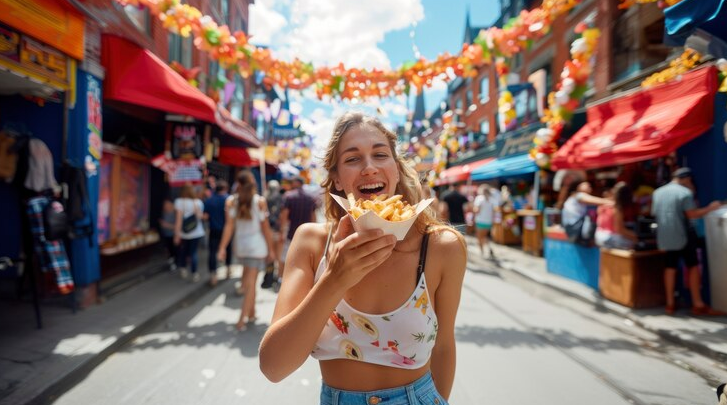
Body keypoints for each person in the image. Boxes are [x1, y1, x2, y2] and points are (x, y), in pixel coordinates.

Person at [259, 112, 467, 404]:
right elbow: (273, 367)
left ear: (395, 169)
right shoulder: (311, 242)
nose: (369, 168)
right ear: (337, 179)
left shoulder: (442, 247)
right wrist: (335, 278)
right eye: (353, 159)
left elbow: (444, 347)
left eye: (380, 155)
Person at [651, 167, 724, 316]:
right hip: (685, 235)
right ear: (687, 179)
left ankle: (670, 304)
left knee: (670, 267)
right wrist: (710, 208)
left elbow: (654, 213)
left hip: (666, 236)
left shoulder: (657, 192)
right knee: (693, 267)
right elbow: (692, 215)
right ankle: (698, 304)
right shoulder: (684, 193)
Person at [218, 170, 274, 330]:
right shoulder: (260, 201)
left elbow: (229, 226)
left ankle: (252, 313)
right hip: (256, 247)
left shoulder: (231, 201)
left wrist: (222, 247)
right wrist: (271, 249)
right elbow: (266, 228)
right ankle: (241, 319)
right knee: (250, 284)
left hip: (241, 247)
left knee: (249, 281)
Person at [278, 175, 317, 284]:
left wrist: (282, 231)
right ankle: (299, 281)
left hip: (291, 231)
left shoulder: (289, 196)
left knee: (284, 256)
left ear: (296, 183)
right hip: (306, 234)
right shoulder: (310, 198)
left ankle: (281, 278)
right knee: (303, 258)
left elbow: (284, 216)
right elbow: (313, 217)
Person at [174, 184, 205, 282]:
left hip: (184, 232)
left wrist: (176, 234)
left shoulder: (179, 202)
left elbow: (178, 220)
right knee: (193, 252)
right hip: (196, 232)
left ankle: (183, 269)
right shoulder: (198, 202)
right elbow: (200, 217)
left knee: (183, 251)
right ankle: (194, 273)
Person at [595, 182, 638, 250]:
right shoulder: (616, 208)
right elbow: (619, 230)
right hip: (609, 238)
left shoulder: (603, 205)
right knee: (636, 243)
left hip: (598, 236)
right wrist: (635, 236)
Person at [204, 180, 232, 286]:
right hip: (227, 230)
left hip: (214, 230)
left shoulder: (210, 200)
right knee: (228, 249)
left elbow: (205, 216)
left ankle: (213, 275)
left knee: (212, 252)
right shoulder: (229, 200)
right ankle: (228, 270)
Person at [261, 179, 284, 289]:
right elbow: (281, 215)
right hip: (276, 229)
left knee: (270, 255)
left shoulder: (265, 198)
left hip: (267, 230)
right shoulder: (279, 198)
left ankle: (269, 278)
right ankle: (276, 277)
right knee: (277, 255)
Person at [473, 184, 497, 258]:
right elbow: (494, 212)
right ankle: (489, 247)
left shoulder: (479, 198)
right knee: (485, 236)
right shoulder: (492, 199)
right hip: (488, 221)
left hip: (480, 220)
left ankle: (482, 251)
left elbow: (477, 210)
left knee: (480, 237)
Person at [159, 198, 177, 270]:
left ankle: (174, 263)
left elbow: (176, 226)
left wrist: (166, 225)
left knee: (173, 249)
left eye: (167, 204)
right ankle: (171, 262)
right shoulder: (163, 213)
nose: (165, 206)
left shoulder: (174, 213)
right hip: (165, 234)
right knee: (167, 249)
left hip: (173, 234)